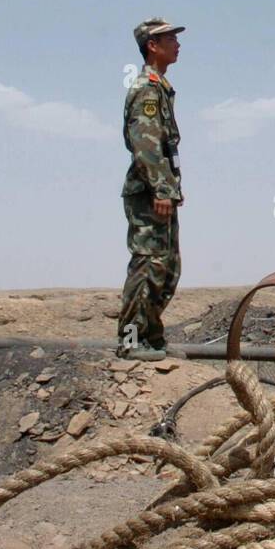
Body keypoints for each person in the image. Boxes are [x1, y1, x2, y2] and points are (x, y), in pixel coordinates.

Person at [118, 18, 185, 361]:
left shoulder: (160, 87)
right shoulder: (147, 88)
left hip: (160, 190)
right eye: (169, 38)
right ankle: (131, 340)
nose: (177, 43)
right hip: (149, 192)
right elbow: (144, 146)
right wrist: (161, 189)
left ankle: (151, 336)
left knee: (167, 266)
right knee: (148, 264)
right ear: (152, 46)